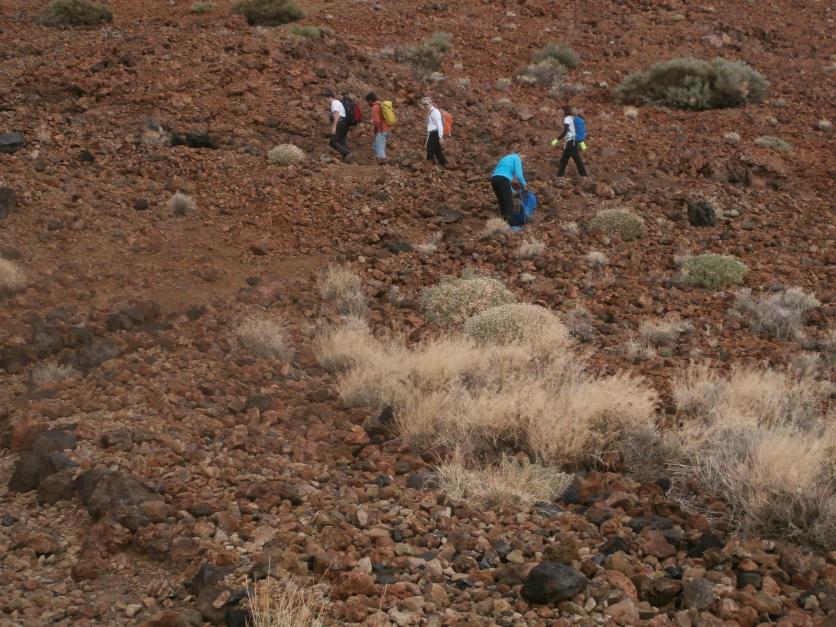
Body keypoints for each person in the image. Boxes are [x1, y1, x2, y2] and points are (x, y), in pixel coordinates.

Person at [491, 150, 527, 227]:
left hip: (494, 179)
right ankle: (512, 225)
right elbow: (519, 175)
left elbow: (502, 174)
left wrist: (512, 190)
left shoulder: (505, 158)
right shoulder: (516, 158)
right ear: (520, 154)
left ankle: (504, 224)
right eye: (524, 157)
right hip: (503, 179)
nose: (523, 160)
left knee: (502, 202)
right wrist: (525, 185)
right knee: (508, 203)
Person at [555, 105, 587, 177]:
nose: (560, 113)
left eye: (561, 111)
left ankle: (584, 175)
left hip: (571, 142)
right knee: (564, 160)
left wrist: (557, 140)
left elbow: (565, 131)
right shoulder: (573, 118)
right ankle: (559, 176)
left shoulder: (567, 119)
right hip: (572, 142)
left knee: (576, 159)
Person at [422, 97, 447, 167]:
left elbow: (439, 125)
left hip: (435, 134)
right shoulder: (430, 113)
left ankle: (430, 169)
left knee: (430, 152)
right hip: (432, 134)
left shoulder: (435, 112)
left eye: (426, 104)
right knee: (438, 153)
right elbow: (430, 128)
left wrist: (441, 137)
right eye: (424, 104)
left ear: (431, 103)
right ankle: (448, 165)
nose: (425, 106)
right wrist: (427, 140)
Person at [366, 92, 391, 160]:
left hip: (382, 131)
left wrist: (377, 130)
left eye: (368, 102)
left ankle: (383, 163)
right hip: (388, 129)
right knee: (375, 146)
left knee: (380, 151)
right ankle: (377, 160)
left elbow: (377, 121)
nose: (368, 104)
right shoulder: (381, 105)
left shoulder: (375, 107)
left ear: (370, 100)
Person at [327, 92, 352, 161]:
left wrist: (334, 127)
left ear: (329, 97)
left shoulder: (334, 103)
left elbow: (336, 114)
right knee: (342, 142)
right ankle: (346, 160)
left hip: (340, 123)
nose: (326, 101)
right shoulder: (338, 102)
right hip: (345, 124)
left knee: (332, 142)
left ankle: (348, 153)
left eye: (326, 99)